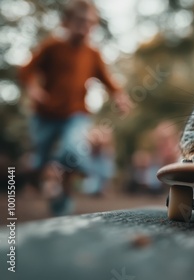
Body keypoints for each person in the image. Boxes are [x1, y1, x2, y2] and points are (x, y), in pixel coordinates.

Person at [18, 0, 131, 215]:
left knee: (72, 151)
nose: (85, 27)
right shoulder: (52, 47)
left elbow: (109, 80)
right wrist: (33, 88)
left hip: (76, 114)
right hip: (45, 114)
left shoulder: (93, 54)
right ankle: (47, 181)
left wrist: (119, 96)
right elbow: (25, 70)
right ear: (66, 22)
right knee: (40, 159)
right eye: (80, 21)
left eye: (90, 23)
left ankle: (62, 194)